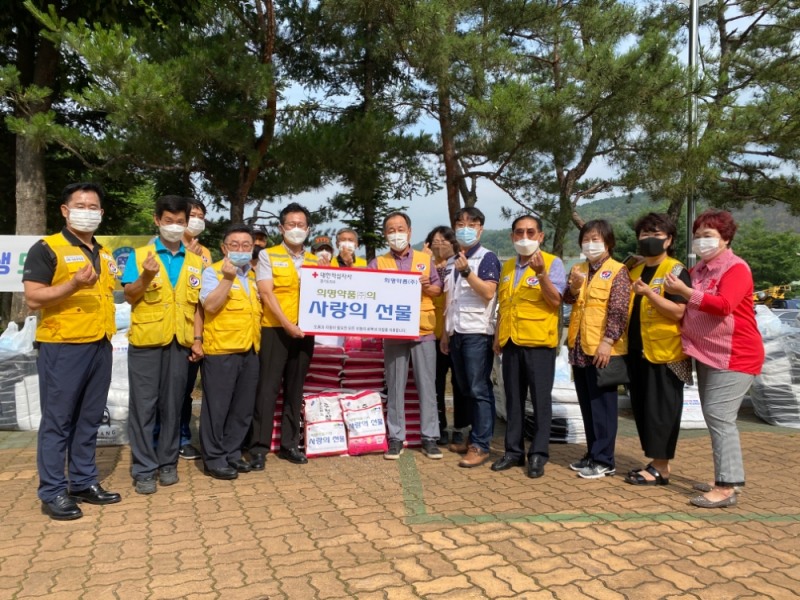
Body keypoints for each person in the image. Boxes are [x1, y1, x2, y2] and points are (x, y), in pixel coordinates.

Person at [23, 182, 121, 520]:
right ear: (65, 210)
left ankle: (82, 481)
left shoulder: (104, 253)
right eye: (80, 205)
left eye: (94, 207)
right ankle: (52, 490)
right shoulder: (46, 248)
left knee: (89, 419)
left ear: (102, 214)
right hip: (62, 347)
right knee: (58, 421)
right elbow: (33, 298)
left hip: (99, 345)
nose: (87, 211)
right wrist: (73, 285)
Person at [664, 209, 764, 508]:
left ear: (726, 238)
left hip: (735, 355)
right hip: (708, 354)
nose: (701, 241)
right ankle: (726, 477)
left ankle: (726, 487)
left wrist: (685, 291)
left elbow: (723, 306)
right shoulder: (699, 271)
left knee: (721, 418)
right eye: (697, 236)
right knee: (715, 417)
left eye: (708, 236)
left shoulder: (736, 269)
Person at [122, 195, 204, 494]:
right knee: (144, 407)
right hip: (146, 342)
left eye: (180, 222)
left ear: (187, 223)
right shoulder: (139, 255)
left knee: (173, 406)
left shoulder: (196, 261)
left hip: (180, 342)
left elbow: (198, 307)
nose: (174, 226)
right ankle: (144, 468)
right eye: (168, 221)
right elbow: (130, 295)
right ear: (157, 221)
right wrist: (146, 274)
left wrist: (197, 339)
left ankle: (168, 462)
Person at [492, 215, 566, 479]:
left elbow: (556, 301)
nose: (525, 238)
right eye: (519, 233)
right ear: (512, 236)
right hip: (510, 341)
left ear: (541, 236)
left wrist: (541, 275)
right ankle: (513, 451)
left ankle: (537, 454)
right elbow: (505, 303)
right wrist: (497, 335)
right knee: (513, 399)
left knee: (540, 400)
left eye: (531, 232)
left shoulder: (552, 263)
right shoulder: (508, 266)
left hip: (538, 343)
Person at [624, 213, 692, 487]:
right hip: (638, 352)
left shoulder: (676, 271)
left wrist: (650, 294)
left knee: (662, 411)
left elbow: (679, 312)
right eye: (644, 234)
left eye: (656, 235)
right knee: (643, 409)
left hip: (666, 354)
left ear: (669, 240)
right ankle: (655, 463)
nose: (650, 239)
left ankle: (661, 469)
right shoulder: (636, 270)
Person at [369, 212, 443, 460]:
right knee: (395, 386)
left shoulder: (425, 259)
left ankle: (430, 437)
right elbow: (365, 290)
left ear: (410, 232)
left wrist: (427, 286)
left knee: (427, 386)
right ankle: (395, 438)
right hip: (393, 333)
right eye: (391, 230)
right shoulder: (377, 263)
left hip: (423, 331)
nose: (396, 234)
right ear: (385, 234)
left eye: (400, 229)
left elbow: (437, 289)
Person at [249, 202, 318, 468]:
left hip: (306, 330)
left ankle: (290, 445)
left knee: (295, 388)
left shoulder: (315, 260)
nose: (296, 229)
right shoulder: (269, 255)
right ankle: (258, 448)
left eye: (301, 225)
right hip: (275, 329)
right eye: (291, 224)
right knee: (267, 389)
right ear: (281, 228)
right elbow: (266, 293)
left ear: (308, 229)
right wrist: (288, 325)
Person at [564, 219, 631, 479]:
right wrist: (572, 288)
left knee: (603, 406)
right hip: (580, 347)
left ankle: (605, 460)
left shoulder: (618, 271)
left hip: (603, 349)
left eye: (596, 239)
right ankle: (592, 454)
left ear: (608, 243)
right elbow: (568, 300)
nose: (590, 244)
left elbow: (618, 309)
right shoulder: (579, 268)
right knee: (588, 405)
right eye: (586, 239)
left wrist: (608, 341)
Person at [198, 225, 262, 480]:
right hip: (221, 350)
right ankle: (214, 458)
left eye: (246, 245)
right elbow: (210, 306)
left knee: (242, 408)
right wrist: (228, 278)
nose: (240, 249)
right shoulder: (213, 272)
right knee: (217, 407)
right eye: (234, 245)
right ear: (224, 248)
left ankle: (232, 452)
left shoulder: (255, 276)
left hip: (250, 348)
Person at [442, 207, 501, 468]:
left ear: (480, 229)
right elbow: (451, 299)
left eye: (472, 223)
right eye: (460, 222)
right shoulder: (456, 259)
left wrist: (467, 273)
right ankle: (473, 437)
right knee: (465, 389)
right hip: (457, 331)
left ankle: (481, 445)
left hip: (477, 332)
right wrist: (446, 333)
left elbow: (488, 292)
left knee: (479, 389)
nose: (465, 227)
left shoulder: (486, 258)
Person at [423, 226, 467, 447]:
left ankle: (459, 427)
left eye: (444, 240)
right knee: (435, 384)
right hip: (431, 333)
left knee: (459, 383)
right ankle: (439, 426)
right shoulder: (423, 266)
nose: (439, 244)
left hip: (453, 331)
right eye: (435, 241)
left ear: (453, 243)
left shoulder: (457, 266)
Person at [175, 199, 211, 461]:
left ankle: (183, 438)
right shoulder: (166, 248)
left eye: (201, 216)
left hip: (197, 331)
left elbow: (205, 294)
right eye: (192, 215)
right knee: (166, 391)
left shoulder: (206, 253)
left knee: (186, 390)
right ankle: (161, 438)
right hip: (169, 331)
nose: (196, 220)